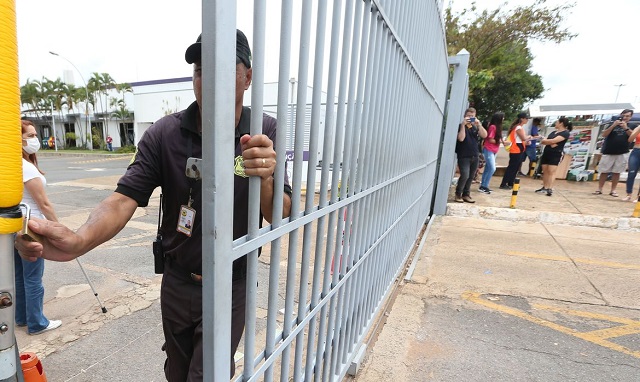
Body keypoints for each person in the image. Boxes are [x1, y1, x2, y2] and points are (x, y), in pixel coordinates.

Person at [15, 30, 292, 380]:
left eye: (222, 67)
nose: (207, 78)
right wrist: (79, 240)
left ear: (247, 77)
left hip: (230, 284)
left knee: (208, 374)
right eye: (200, 70)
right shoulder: (165, 134)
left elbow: (279, 211)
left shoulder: (264, 130)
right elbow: (122, 198)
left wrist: (265, 175)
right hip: (176, 281)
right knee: (176, 371)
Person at [15, 119, 62, 335]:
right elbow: (43, 204)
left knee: (20, 276)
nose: (35, 140)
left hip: (15, 226)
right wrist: (58, 227)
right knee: (33, 277)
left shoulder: (12, 164)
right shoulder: (25, 167)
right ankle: (37, 323)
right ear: (19, 139)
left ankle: (22, 318)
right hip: (32, 226)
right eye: (30, 136)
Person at [593, 109, 633, 197]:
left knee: (617, 172)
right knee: (604, 171)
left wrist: (625, 128)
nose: (625, 118)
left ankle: (613, 190)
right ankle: (599, 189)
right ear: (621, 115)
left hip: (622, 152)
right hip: (608, 151)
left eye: (627, 116)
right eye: (624, 115)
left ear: (630, 117)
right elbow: (604, 134)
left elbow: (632, 136)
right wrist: (613, 125)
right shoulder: (612, 123)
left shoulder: (632, 125)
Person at [454, 107, 487, 203]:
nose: (470, 118)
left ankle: (466, 194)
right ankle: (458, 194)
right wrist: (463, 125)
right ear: (465, 116)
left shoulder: (475, 127)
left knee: (471, 176)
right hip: (464, 155)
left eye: (472, 116)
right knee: (465, 175)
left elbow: (484, 135)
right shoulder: (461, 126)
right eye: (468, 116)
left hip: (474, 155)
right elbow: (461, 138)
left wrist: (479, 124)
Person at [535, 117, 572, 196]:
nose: (555, 124)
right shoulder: (553, 132)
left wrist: (548, 141)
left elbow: (553, 141)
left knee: (551, 171)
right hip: (547, 152)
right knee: (545, 170)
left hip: (556, 153)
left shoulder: (565, 133)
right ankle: (544, 187)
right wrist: (548, 142)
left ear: (561, 123)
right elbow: (546, 141)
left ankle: (550, 188)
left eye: (557, 122)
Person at [499, 112, 532, 189]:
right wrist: (529, 137)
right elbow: (523, 138)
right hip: (516, 149)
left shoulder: (518, 127)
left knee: (515, 167)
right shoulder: (518, 128)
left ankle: (511, 182)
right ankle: (504, 183)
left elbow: (521, 139)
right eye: (526, 118)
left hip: (519, 148)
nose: (527, 120)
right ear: (522, 119)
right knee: (512, 167)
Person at [479, 112, 505, 194]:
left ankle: (484, 185)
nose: (503, 119)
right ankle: (484, 185)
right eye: (502, 117)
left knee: (488, 168)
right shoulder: (493, 127)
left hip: (493, 150)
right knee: (492, 168)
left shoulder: (497, 127)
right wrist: (500, 141)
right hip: (489, 149)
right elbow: (490, 139)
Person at [626, 123, 640, 201]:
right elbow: (630, 139)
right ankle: (629, 194)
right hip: (636, 151)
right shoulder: (637, 128)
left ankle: (638, 197)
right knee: (631, 173)